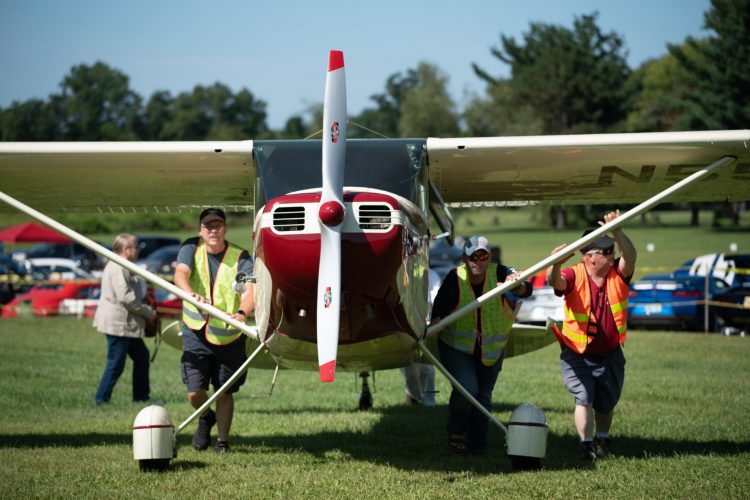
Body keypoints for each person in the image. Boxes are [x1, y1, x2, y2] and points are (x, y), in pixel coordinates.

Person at [546, 210, 636, 461]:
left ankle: (603, 438)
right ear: (589, 258)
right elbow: (555, 281)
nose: (612, 254)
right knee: (584, 396)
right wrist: (556, 263)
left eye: (611, 250)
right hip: (578, 353)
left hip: (611, 354)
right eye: (606, 251)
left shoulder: (618, 272)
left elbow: (631, 256)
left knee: (606, 402)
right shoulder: (574, 274)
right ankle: (585, 445)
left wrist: (617, 230)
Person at [431, 235, 532, 454]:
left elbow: (527, 289)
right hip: (457, 346)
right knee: (468, 390)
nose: (477, 261)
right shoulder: (454, 278)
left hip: (491, 349)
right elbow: (439, 310)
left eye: (482, 256)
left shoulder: (501, 272)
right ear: (464, 258)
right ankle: (457, 432)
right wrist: (437, 321)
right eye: (472, 256)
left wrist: (517, 285)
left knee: (483, 396)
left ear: (489, 257)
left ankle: (478, 444)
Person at [174, 208, 255, 454]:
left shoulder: (240, 257)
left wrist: (242, 313)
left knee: (224, 391)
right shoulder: (190, 248)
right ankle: (206, 416)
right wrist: (190, 294)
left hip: (228, 335)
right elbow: (181, 274)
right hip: (195, 330)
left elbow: (248, 291)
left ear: (225, 229)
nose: (213, 230)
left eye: (218, 225)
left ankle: (222, 441)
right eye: (208, 226)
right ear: (200, 230)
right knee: (194, 392)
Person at [94, 234, 157, 405]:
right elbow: (126, 297)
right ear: (126, 250)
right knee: (116, 363)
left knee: (142, 357)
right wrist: (148, 312)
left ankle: (141, 397)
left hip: (126, 324)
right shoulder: (118, 267)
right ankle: (101, 399)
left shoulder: (123, 265)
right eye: (135, 247)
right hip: (118, 324)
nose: (137, 250)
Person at [401, 267, 441, 407]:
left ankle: (429, 402)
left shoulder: (432, 275)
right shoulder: (401, 274)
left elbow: (435, 300)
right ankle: (413, 396)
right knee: (409, 366)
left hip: (426, 326)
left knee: (427, 367)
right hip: (406, 326)